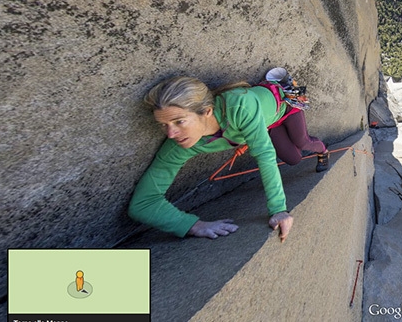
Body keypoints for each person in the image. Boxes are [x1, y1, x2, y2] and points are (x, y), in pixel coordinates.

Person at [128, 74, 328, 242]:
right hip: (264, 125)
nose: (171, 134)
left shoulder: (240, 105)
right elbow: (143, 203)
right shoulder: (179, 145)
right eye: (163, 124)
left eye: (179, 121)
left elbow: (265, 155)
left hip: (284, 106)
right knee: (293, 159)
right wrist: (193, 225)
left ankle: (323, 151)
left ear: (207, 112)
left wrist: (279, 209)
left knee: (303, 143)